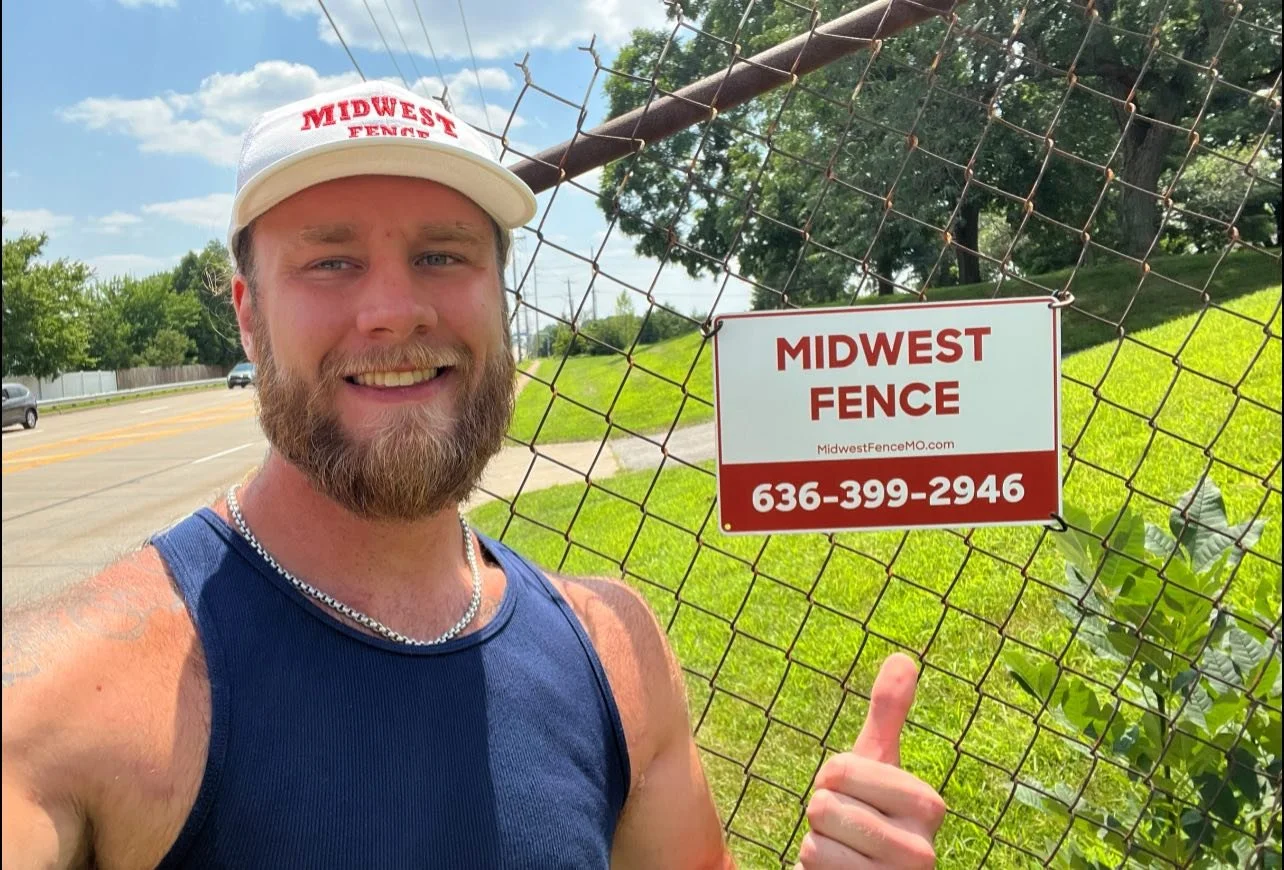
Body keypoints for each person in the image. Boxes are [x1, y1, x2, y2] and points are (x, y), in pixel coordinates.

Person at [1, 80, 946, 869]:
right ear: (248, 317)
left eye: (441, 255)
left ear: (501, 299)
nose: (394, 309)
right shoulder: (64, 697)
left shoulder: (616, 657)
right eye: (330, 261)